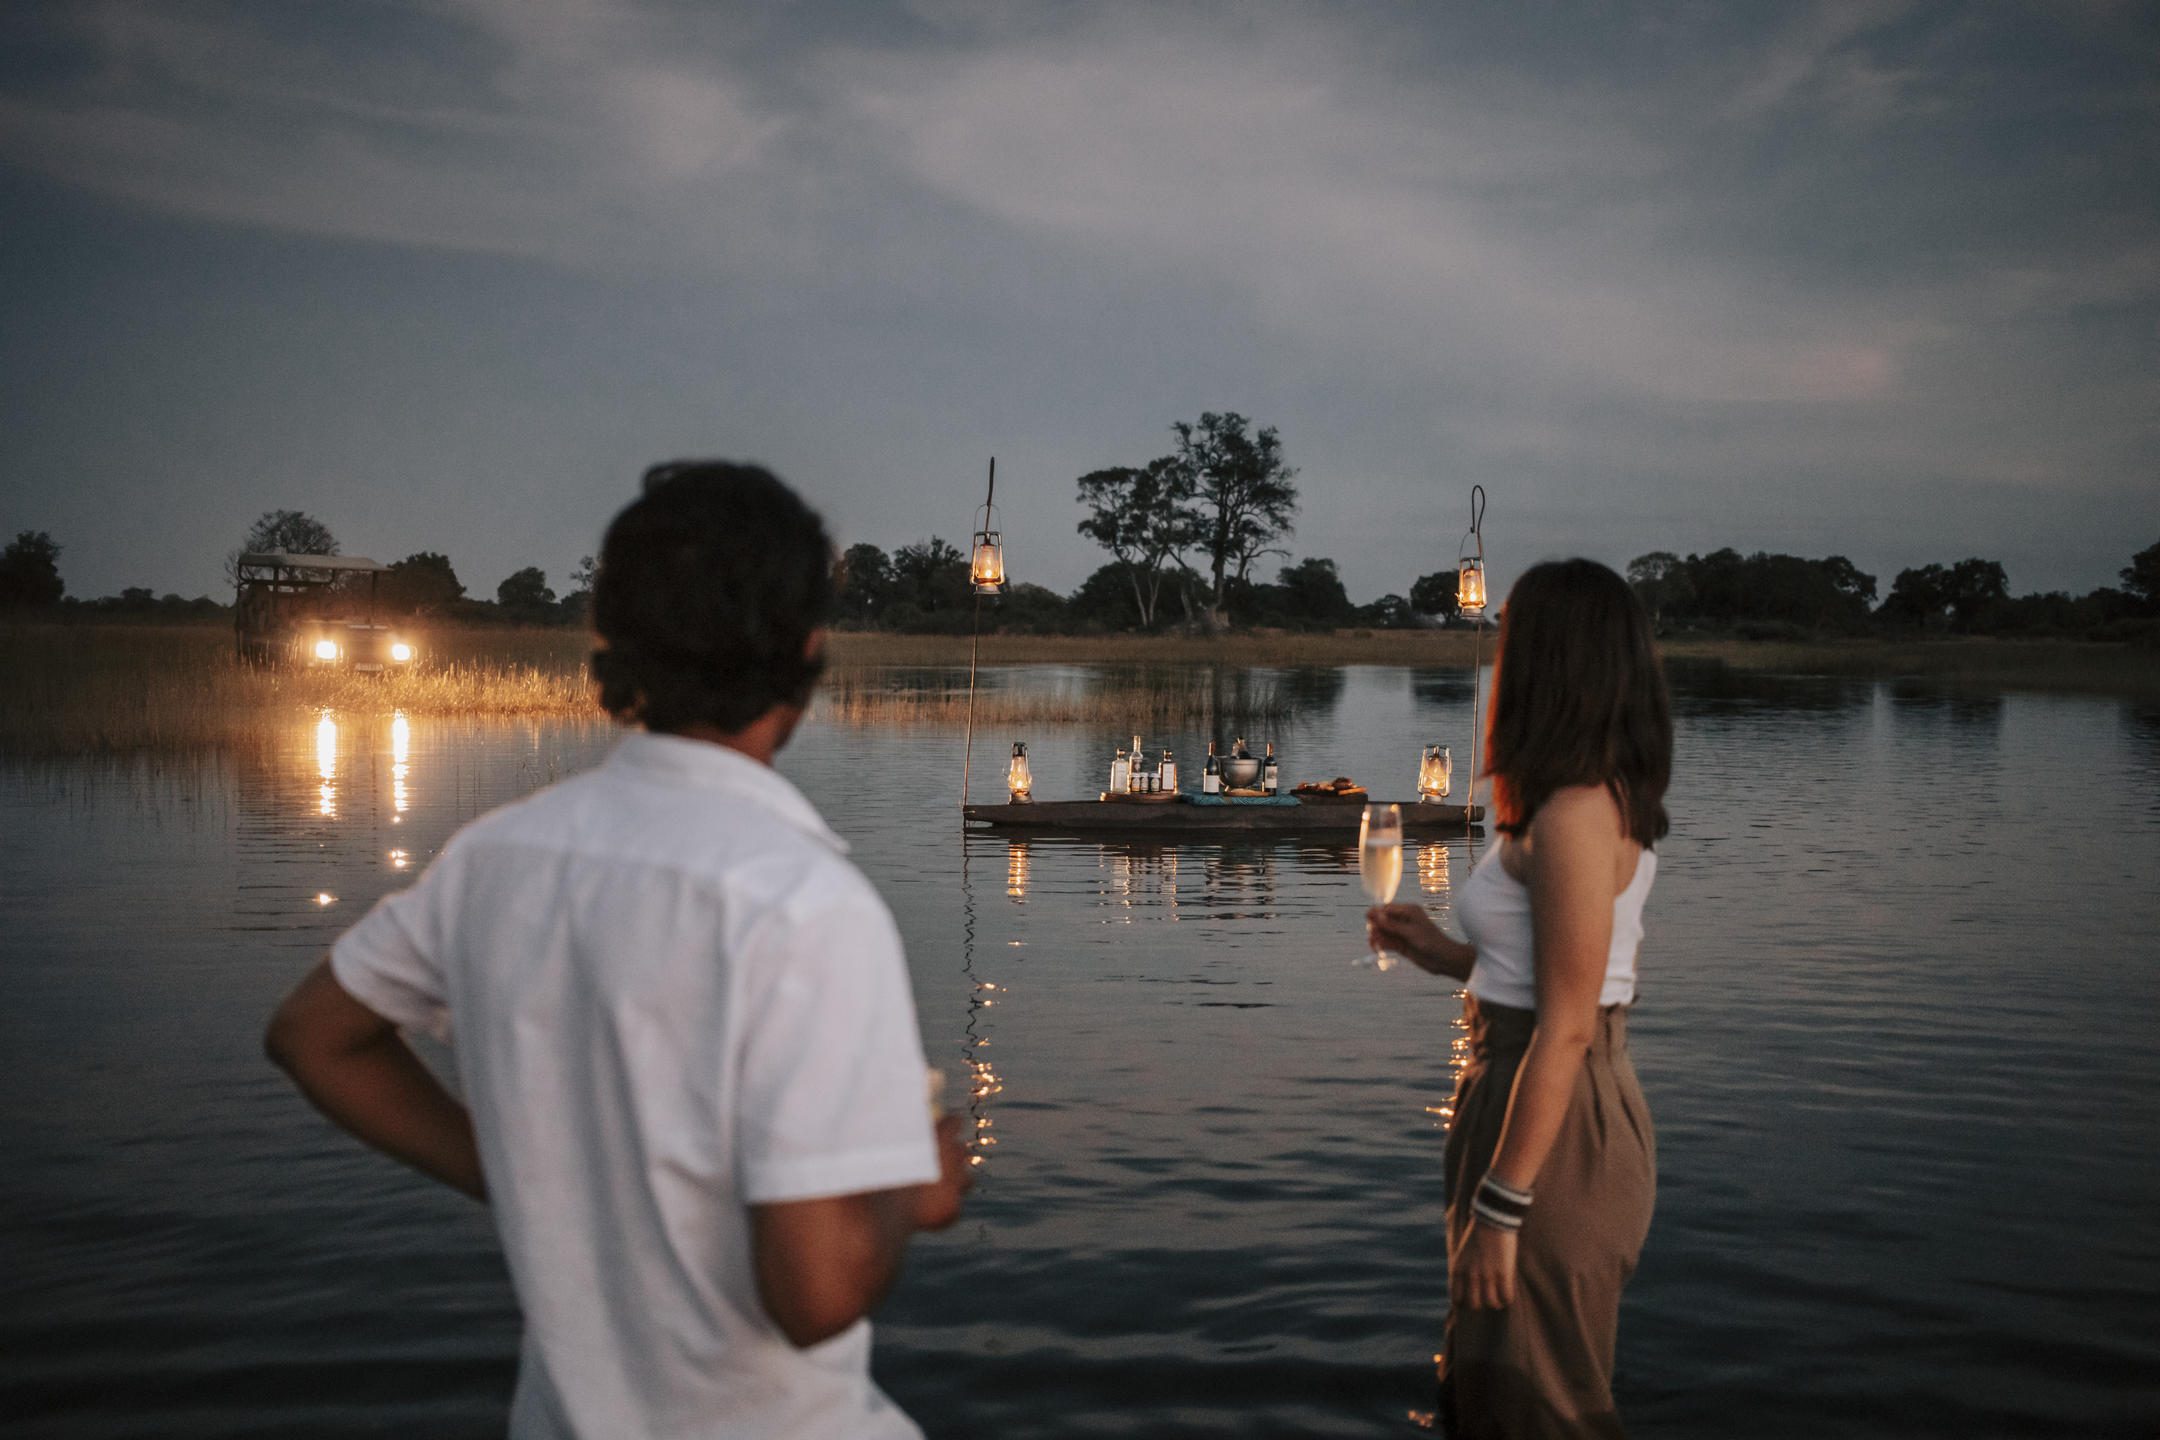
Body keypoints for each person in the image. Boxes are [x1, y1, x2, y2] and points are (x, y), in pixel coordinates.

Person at [265, 461, 972, 1439]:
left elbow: (314, 1034)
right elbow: (814, 1298)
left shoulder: (496, 856)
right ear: (808, 650)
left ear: (610, 639)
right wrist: (910, 1196)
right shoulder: (803, 904)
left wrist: (518, 1169)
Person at [1367, 558, 1670, 1439]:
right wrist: (1444, 956)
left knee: (1542, 1405)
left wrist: (1503, 1207)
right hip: (1528, 1092)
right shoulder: (1576, 799)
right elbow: (1558, 985)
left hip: (1555, 1122)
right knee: (1494, 1387)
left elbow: (1570, 1025)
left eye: (1510, 633)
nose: (1499, 654)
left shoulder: (1577, 813)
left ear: (1549, 657)